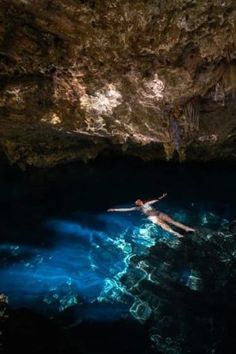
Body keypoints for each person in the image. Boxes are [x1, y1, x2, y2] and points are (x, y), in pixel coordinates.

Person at [107, 193, 195, 238]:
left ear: (141, 201)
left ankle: (186, 228)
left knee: (173, 221)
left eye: (138, 200)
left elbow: (156, 200)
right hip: (153, 217)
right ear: (137, 204)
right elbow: (125, 210)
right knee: (164, 225)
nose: (138, 201)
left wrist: (162, 196)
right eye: (136, 202)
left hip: (158, 213)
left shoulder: (147, 203)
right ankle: (176, 233)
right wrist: (114, 209)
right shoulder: (137, 208)